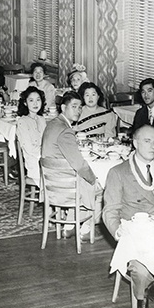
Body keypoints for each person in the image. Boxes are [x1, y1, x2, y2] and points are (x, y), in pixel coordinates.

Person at [103, 124, 154, 308]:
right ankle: (144, 292)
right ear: (135, 143)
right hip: (136, 236)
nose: (153, 146)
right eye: (147, 141)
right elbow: (110, 211)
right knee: (141, 271)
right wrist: (119, 233)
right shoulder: (118, 172)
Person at [41, 91, 102, 237]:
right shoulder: (65, 130)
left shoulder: (53, 123)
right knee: (101, 189)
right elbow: (80, 165)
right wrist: (94, 179)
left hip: (51, 183)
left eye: (80, 107)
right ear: (63, 108)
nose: (78, 110)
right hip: (64, 188)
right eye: (74, 106)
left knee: (83, 181)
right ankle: (86, 229)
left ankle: (69, 227)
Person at [16, 86, 47, 185]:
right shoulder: (22, 122)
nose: (35, 103)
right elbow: (29, 149)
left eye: (38, 100)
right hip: (34, 161)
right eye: (31, 100)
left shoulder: (42, 119)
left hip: (44, 156)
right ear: (25, 103)